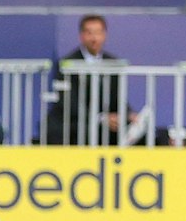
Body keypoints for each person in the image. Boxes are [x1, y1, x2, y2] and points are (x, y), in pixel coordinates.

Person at [46, 14, 144, 146]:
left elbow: (117, 98)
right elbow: (68, 103)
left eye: (98, 32)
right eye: (89, 33)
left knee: (138, 129)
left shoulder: (113, 62)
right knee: (83, 129)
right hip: (76, 122)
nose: (94, 38)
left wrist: (128, 114)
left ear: (105, 35)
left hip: (106, 122)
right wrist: (100, 118)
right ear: (81, 36)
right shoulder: (67, 63)